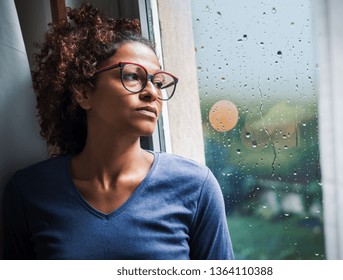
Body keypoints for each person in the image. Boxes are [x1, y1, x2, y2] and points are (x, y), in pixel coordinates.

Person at [1, 3, 234, 260]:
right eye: (133, 76)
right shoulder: (29, 191)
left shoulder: (196, 187)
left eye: (158, 82)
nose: (152, 92)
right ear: (84, 93)